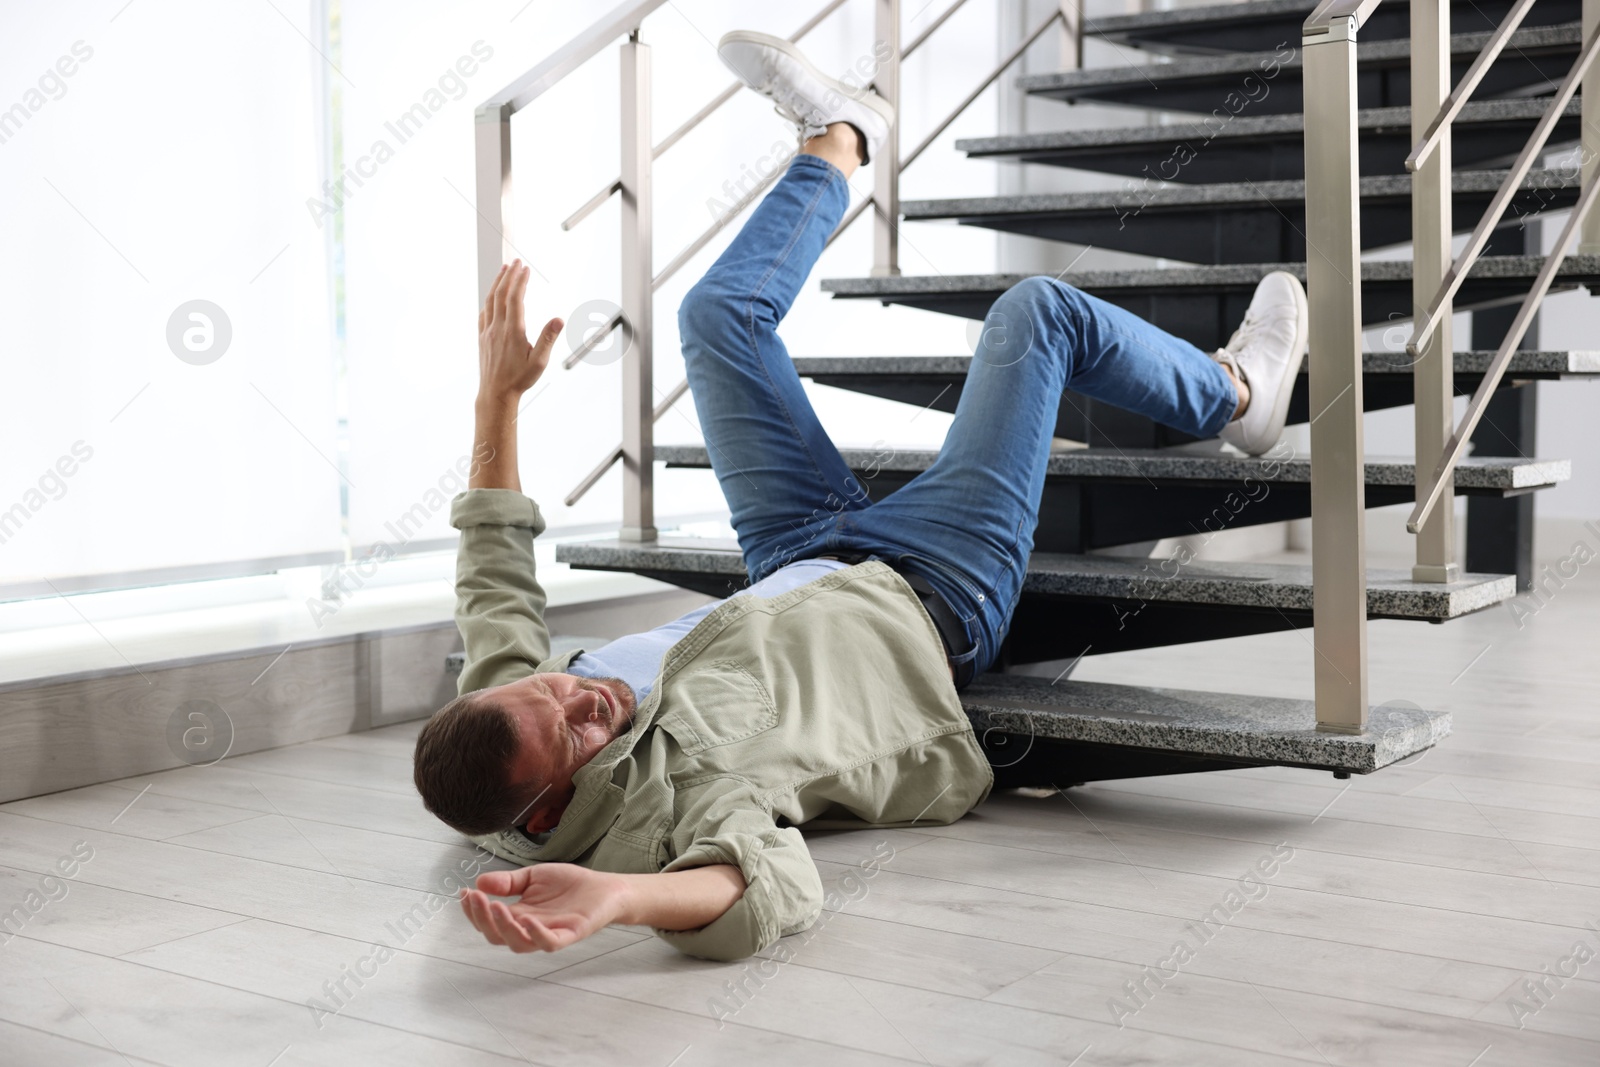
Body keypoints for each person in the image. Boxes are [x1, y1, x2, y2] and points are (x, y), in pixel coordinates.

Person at [412, 30, 1308, 962]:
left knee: (715, 319)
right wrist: (621, 896)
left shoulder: (501, 717)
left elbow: (493, 570)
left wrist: (499, 396)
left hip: (797, 547)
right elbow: (768, 885)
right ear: (555, 802)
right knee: (1040, 313)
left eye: (552, 686)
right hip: (929, 595)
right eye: (577, 728)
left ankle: (839, 135)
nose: (583, 693)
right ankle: (1236, 393)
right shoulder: (677, 799)